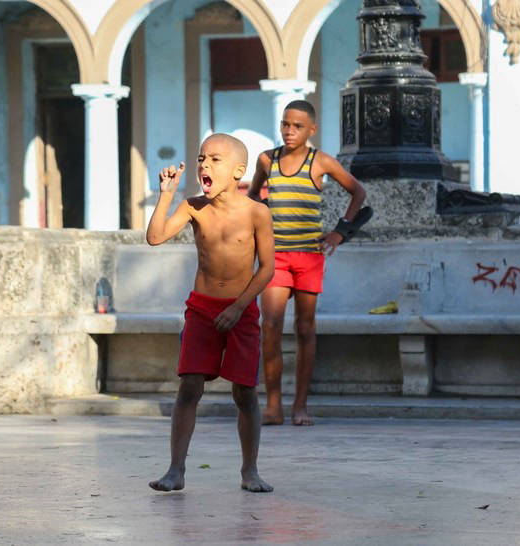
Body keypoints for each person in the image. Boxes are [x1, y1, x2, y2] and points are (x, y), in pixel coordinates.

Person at [146, 133, 274, 493]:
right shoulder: (192, 206)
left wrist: (238, 307)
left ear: (238, 171)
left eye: (215, 159)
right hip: (201, 310)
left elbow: (266, 268)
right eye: (202, 158)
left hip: (241, 310)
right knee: (189, 387)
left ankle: (250, 470)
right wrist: (167, 195)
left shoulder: (256, 212)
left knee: (245, 392)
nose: (204, 164)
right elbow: (155, 238)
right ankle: (176, 470)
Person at [247, 100, 366, 426]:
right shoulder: (266, 160)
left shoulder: (321, 162)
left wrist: (340, 232)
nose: (289, 131)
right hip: (276, 258)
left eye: (297, 126)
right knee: (269, 327)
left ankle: (300, 406)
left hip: (309, 257)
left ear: (311, 129)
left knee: (304, 329)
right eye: (285, 124)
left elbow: (358, 192)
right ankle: (273, 406)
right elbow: (253, 197)